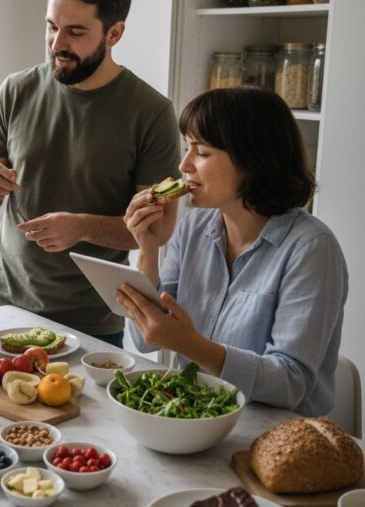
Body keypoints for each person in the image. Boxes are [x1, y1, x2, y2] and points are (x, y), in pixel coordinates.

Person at [0, 0, 181, 345]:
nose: (57, 44)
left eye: (76, 32)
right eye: (51, 27)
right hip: (5, 310)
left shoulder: (151, 113)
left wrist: (81, 226)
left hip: (91, 325)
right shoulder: (17, 90)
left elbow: (159, 229)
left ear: (114, 33)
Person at [117, 86, 348, 416]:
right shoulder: (194, 226)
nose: (184, 165)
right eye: (186, 148)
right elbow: (144, 339)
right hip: (198, 418)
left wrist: (189, 344)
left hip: (279, 436)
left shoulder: (312, 250)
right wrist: (147, 247)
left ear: (253, 159)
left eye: (202, 152)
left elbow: (290, 383)